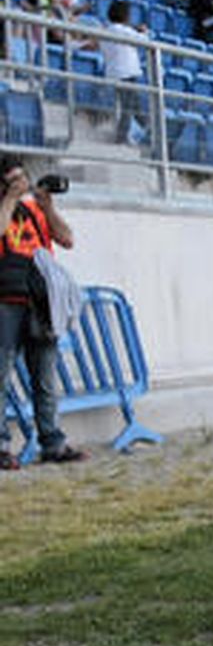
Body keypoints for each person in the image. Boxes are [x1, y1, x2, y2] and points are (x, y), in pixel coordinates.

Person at [0, 156, 85, 467]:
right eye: (14, 180)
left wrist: (47, 205)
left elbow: (67, 238)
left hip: (40, 302)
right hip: (5, 301)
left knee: (45, 376)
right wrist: (9, 198)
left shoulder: (35, 210)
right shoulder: (5, 206)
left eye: (23, 178)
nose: (21, 185)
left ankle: (53, 443)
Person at [103, 0, 146, 145]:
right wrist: (142, 31)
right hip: (127, 73)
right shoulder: (124, 31)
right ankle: (120, 138)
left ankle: (149, 130)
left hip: (115, 72)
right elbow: (144, 40)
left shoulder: (106, 30)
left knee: (135, 106)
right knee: (128, 107)